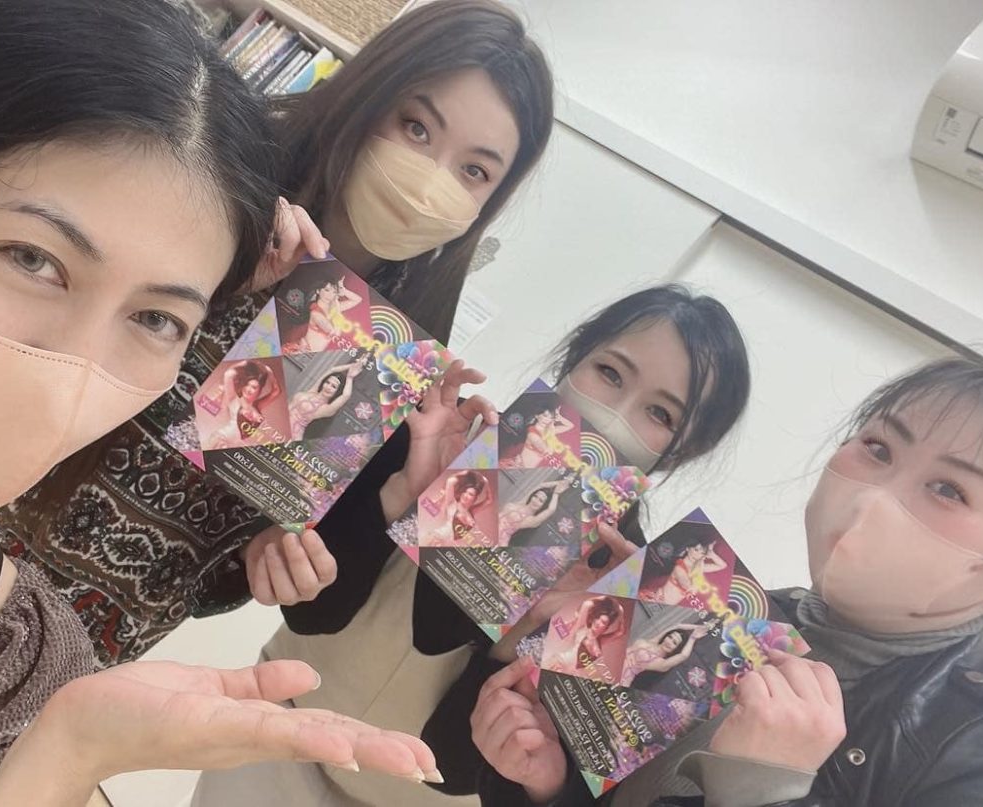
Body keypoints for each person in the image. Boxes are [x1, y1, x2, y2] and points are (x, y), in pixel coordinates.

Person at [0, 1, 435, 803]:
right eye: (33, 259)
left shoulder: (10, 679)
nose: (75, 363)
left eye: (155, 318)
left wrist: (61, 758)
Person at [0, 0, 556, 666]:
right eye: (416, 127)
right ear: (371, 94)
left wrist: (262, 556)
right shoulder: (214, 182)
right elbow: (25, 341)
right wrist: (216, 281)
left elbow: (227, 571)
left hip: (77, 655)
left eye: (474, 171)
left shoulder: (396, 357)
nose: (430, 179)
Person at [191, 285, 752, 806]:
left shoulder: (634, 598)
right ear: (574, 359)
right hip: (276, 728)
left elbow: (460, 769)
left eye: (661, 414)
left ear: (683, 451)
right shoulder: (441, 433)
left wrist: (519, 641)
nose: (615, 415)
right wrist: (399, 495)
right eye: (610, 372)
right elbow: (310, 614)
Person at [472, 357, 983, 806]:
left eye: (949, 490)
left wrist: (765, 790)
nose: (875, 498)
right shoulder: (738, 615)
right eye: (879, 449)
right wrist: (547, 782)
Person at [546, 596, 628, 682]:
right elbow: (586, 604)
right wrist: (603, 598)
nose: (598, 622)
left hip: (572, 674)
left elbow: (620, 632)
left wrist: (620, 612)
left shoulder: (600, 640)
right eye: (597, 618)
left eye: (603, 622)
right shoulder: (582, 628)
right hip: (560, 664)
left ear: (606, 628)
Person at [640, 525, 728, 606]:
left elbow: (722, 566)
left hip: (661, 604)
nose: (697, 554)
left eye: (702, 552)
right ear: (688, 548)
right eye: (696, 549)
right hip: (652, 601)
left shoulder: (696, 568)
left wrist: (711, 554)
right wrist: (701, 561)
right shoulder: (679, 567)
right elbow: (690, 588)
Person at [205, 360, 283, 449]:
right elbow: (228, 374)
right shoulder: (234, 398)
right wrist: (245, 363)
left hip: (234, 445)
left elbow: (276, 391)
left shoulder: (257, 406)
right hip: (221, 439)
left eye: (254, 387)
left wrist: (270, 372)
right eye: (247, 384)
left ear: (259, 390)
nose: (248, 389)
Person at [619, 621, 714, 688]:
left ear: (676, 649)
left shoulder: (661, 663)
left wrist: (693, 638)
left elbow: (683, 655)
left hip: (620, 678)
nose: (669, 642)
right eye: (670, 637)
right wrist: (698, 627)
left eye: (674, 643)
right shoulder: (652, 641)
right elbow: (677, 625)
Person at [289, 361, 364, 439]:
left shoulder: (326, 409)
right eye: (327, 382)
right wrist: (351, 366)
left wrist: (350, 377)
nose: (328, 387)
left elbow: (346, 395)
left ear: (338, 391)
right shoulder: (312, 391)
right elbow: (332, 370)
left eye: (333, 386)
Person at [426, 470, 494, 547]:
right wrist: (466, 473)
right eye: (465, 491)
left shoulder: (471, 511)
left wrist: (486, 482)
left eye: (470, 494)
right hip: (439, 539)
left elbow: (489, 500)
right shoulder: (452, 503)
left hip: (454, 546)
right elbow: (450, 481)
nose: (465, 495)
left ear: (475, 499)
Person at [499, 477, 573, 546]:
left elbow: (551, 509)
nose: (536, 501)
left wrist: (556, 493)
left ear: (543, 505)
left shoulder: (531, 520)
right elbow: (541, 485)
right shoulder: (522, 503)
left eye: (540, 501)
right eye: (536, 496)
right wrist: (561, 482)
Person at [501, 403, 576, 468]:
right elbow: (547, 451)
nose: (547, 420)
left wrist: (560, 418)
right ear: (537, 415)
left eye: (551, 417)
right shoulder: (532, 433)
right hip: (517, 467)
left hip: (525, 468)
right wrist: (551, 429)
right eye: (545, 416)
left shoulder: (548, 431)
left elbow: (570, 426)